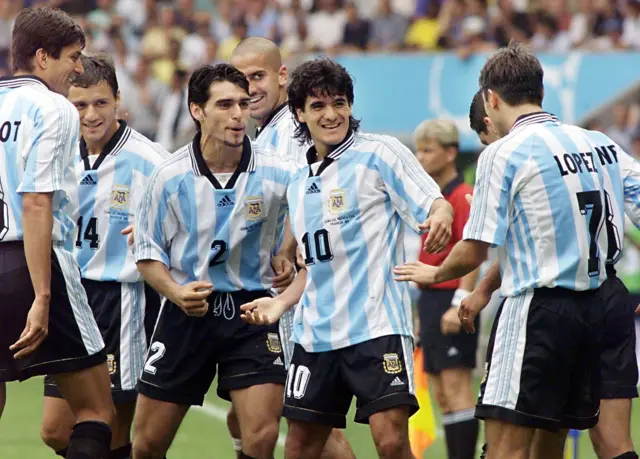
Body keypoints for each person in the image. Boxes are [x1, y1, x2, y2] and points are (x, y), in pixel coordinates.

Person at [393, 41, 631, 459]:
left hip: (540, 308)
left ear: (491, 98)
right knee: (581, 441)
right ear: (540, 90)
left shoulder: (503, 152)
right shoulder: (598, 142)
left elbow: (473, 250)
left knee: (506, 447)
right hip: (603, 303)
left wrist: (433, 274)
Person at [239, 57, 454, 459]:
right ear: (299, 113)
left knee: (391, 443)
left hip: (376, 326)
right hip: (315, 334)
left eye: (339, 103)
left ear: (350, 106)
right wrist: (281, 302)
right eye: (317, 106)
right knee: (301, 447)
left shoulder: (380, 153)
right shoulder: (299, 183)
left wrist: (441, 214)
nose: (331, 114)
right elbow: (315, 267)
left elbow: (433, 202)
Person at [131, 63, 297, 459]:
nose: (238, 114)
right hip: (187, 313)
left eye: (243, 103)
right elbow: (146, 253)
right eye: (224, 105)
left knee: (260, 437)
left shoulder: (279, 170)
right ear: (197, 110)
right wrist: (175, 292)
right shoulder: (168, 176)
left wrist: (288, 250)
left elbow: (309, 209)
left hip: (252, 311)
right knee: (147, 444)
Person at [467, 89, 640, 459]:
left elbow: (527, 247)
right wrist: (484, 289)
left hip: (549, 301)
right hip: (607, 294)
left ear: (490, 116)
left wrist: (446, 279)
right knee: (607, 441)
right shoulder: (595, 143)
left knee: (510, 441)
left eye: (486, 141)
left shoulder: (511, 153)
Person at [230, 37, 356, 459]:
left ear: (282, 76)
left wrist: (295, 248)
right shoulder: (264, 134)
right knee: (252, 412)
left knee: (311, 422)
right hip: (275, 289)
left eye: (258, 77)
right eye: (242, 80)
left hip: (304, 292)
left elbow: (324, 192)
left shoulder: (296, 131)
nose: (250, 89)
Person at [39, 54, 168, 459]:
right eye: (80, 105)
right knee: (56, 430)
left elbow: (189, 224)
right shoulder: (57, 154)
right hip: (71, 300)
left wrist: (156, 239)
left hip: (122, 304)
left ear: (118, 100)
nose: (91, 114)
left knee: (110, 428)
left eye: (100, 103)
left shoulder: (151, 162)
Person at [0, 7, 114, 459]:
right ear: (42, 57)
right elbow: (36, 201)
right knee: (95, 412)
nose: (79, 68)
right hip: (32, 262)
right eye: (73, 56)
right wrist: (42, 295)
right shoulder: (54, 108)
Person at [412, 119, 480, 459]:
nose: (419, 157)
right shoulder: (434, 198)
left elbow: (473, 253)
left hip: (452, 298)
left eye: (427, 150)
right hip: (431, 298)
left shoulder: (462, 196)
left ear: (451, 153)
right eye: (418, 150)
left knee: (457, 390)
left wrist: (459, 303)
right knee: (440, 393)